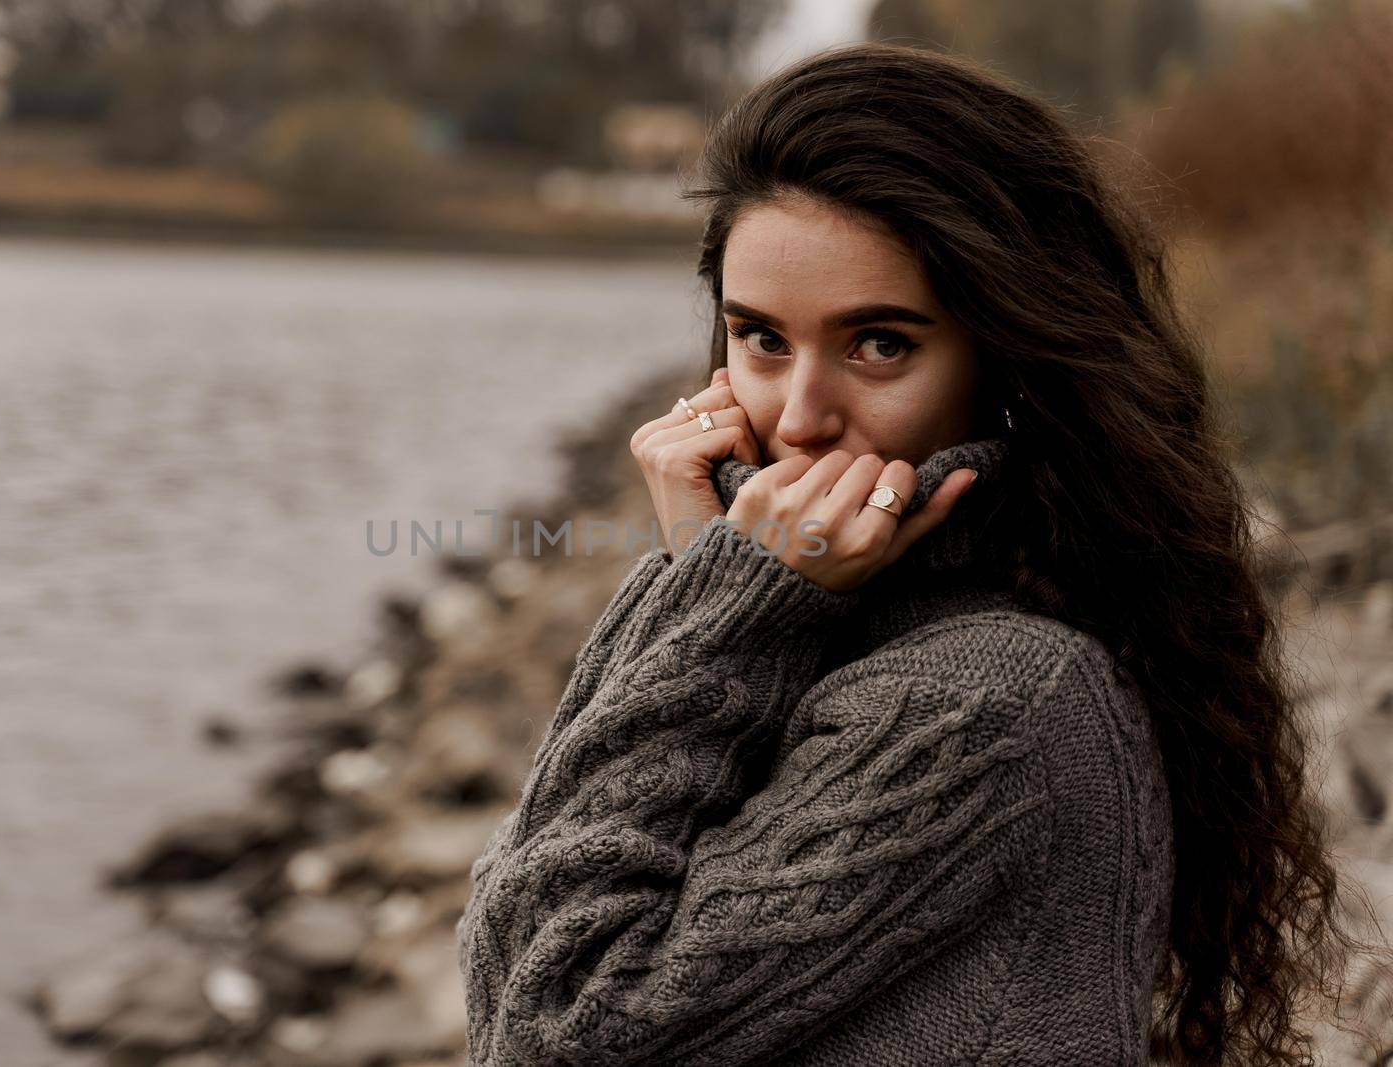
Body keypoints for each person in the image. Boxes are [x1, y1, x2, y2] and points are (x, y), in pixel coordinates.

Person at [457, 42, 1385, 1066]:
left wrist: (717, 601)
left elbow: (550, 1025)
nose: (800, 416)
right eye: (760, 338)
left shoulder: (982, 695)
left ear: (1007, 357)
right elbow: (519, 948)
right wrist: (709, 576)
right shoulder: (862, 616)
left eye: (879, 343)